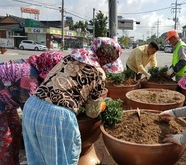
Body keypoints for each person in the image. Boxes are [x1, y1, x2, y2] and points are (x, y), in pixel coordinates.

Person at [21, 37, 121, 165]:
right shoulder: (98, 73)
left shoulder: (68, 58)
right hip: (56, 117)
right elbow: (92, 112)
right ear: (107, 58)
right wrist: (102, 105)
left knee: (38, 159)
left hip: (32, 106)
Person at [0, 51, 64, 165]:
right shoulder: (28, 77)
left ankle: (14, 161)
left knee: (15, 128)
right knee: (5, 139)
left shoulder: (36, 66)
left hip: (7, 101)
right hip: (2, 102)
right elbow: (30, 111)